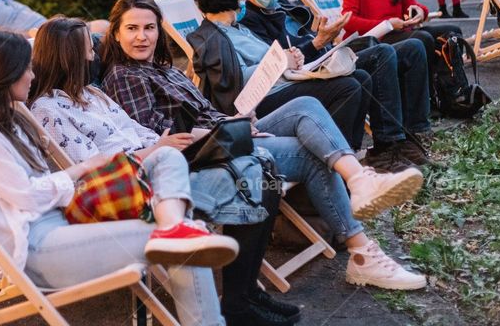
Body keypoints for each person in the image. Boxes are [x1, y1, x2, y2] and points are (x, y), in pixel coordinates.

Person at [99, 0, 427, 291]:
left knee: (305, 105)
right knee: (310, 153)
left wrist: (240, 121)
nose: (142, 37)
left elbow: (204, 112)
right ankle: (361, 250)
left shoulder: (163, 70)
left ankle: (359, 180)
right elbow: (161, 135)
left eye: (149, 28)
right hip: (203, 154)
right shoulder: (125, 75)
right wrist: (229, 130)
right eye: (132, 29)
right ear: (116, 33)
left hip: (225, 133)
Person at [0, 30, 234, 326]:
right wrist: (82, 169)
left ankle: (174, 226)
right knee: (181, 242)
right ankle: (176, 232)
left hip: (65, 220)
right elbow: (29, 195)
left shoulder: (8, 121)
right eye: (27, 68)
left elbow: (43, 188)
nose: (33, 75)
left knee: (166, 158)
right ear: (6, 73)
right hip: (38, 247)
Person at [29, 17, 300, 326]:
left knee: (259, 164)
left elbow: (139, 132)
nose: (94, 56)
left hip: (164, 162)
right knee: (256, 177)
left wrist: (197, 138)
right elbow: (94, 170)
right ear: (70, 57)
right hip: (136, 187)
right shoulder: (48, 110)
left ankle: (245, 292)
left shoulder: (93, 94)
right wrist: (158, 149)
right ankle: (239, 300)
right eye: (89, 50)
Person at [239, 0, 433, 171]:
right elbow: (279, 63)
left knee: (412, 48)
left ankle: (410, 136)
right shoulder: (249, 19)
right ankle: (387, 147)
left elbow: (310, 40)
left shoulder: (284, 6)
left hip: (325, 58)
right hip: (304, 74)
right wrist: (317, 43)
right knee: (381, 54)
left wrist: (325, 37)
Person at [188, 0, 370, 152]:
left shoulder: (238, 28)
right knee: (347, 87)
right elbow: (238, 79)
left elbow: (268, 55)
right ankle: (336, 154)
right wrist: (281, 62)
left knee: (361, 78)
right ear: (228, 0)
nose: (245, 1)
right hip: (262, 99)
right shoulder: (213, 38)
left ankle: (350, 151)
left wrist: (290, 56)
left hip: (282, 83)